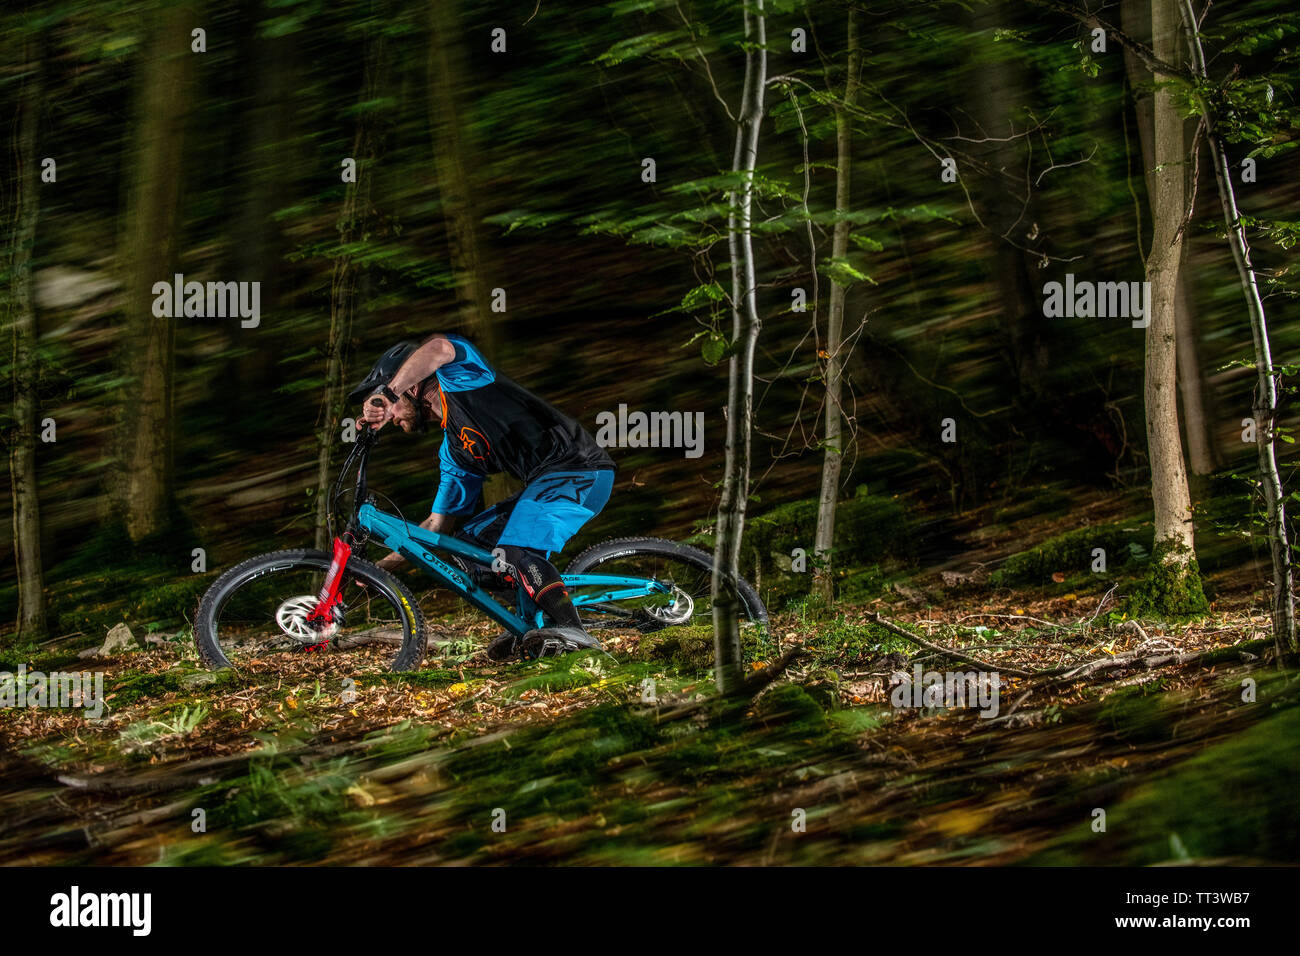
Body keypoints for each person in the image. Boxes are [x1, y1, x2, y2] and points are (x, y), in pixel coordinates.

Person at [349, 333, 615, 660]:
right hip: (545, 482)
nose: (392, 417)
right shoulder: (454, 452)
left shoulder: (462, 381)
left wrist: (387, 394)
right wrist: (378, 569)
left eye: (393, 406)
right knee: (470, 546)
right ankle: (533, 623)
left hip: (579, 469)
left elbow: (440, 349)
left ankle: (572, 628)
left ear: (412, 388)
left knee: (513, 548)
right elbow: (435, 526)